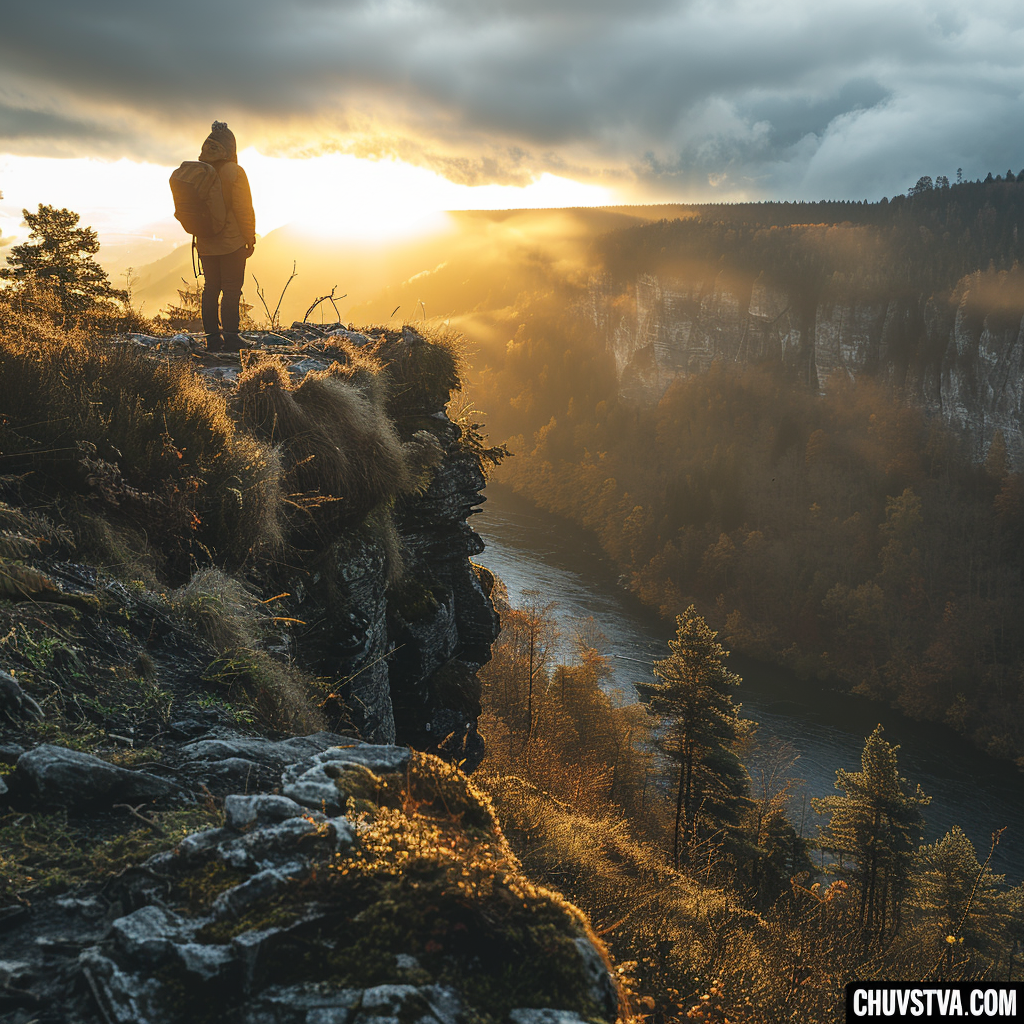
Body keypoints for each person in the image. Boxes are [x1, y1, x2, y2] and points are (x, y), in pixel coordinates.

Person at [196, 121, 256, 353]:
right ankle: (231, 338)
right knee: (231, 289)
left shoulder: (200, 170)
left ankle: (212, 338)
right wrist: (249, 237)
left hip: (205, 241)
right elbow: (243, 208)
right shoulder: (234, 171)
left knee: (211, 288)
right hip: (231, 241)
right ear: (231, 148)